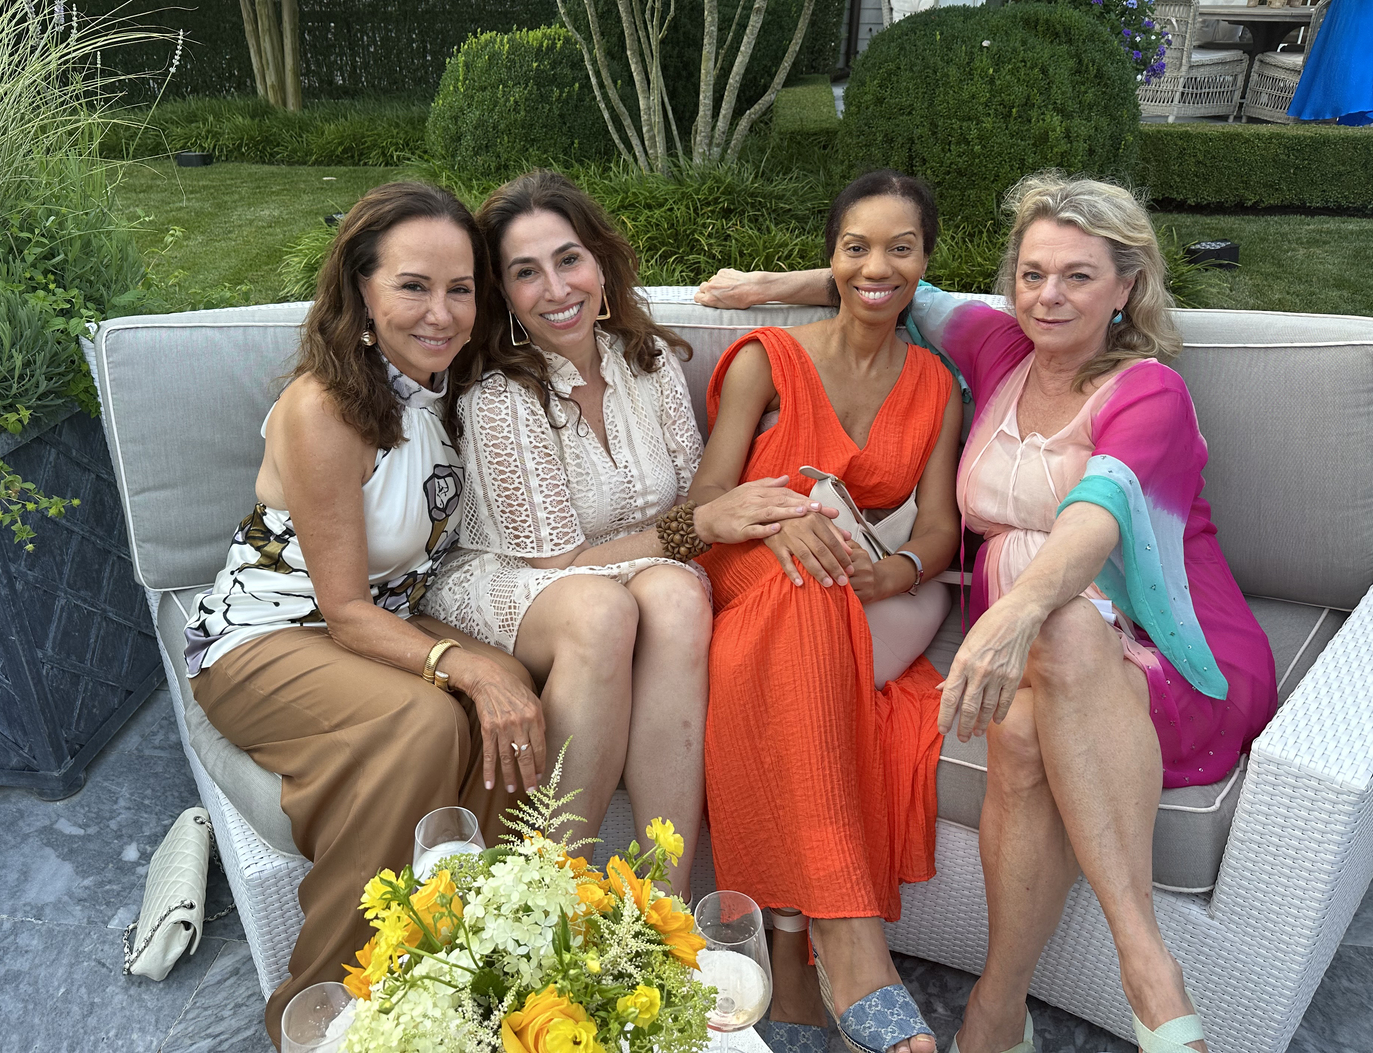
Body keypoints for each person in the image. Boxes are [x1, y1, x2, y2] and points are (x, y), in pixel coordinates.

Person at [697, 172, 1278, 1053]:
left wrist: (1009, 617)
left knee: (1064, 632)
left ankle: (1145, 967)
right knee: (1014, 728)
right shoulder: (1001, 350)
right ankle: (996, 1014)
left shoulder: (1148, 392)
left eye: (1079, 276)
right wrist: (766, 287)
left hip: (1164, 655)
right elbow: (887, 280)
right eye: (1033, 273)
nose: (1050, 296)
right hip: (1035, 663)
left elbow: (1096, 516)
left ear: (1127, 286)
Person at [184, 182, 548, 1046]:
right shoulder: (325, 409)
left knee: (519, 696)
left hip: (379, 620)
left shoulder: (444, 388)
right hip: (266, 636)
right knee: (428, 719)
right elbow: (342, 609)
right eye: (413, 286)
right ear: (361, 291)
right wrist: (462, 662)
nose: (442, 311)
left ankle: (454, 959)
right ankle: (323, 1009)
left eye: (461, 288)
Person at [422, 169, 835, 898]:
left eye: (568, 259)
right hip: (509, 578)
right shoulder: (500, 395)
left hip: (631, 570)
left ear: (601, 263)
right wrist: (699, 524)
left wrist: (744, 521)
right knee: (604, 606)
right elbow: (563, 558)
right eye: (526, 272)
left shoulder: (648, 364)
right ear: (504, 295)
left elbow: (685, 506)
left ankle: (659, 905)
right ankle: (550, 893)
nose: (556, 289)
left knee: (677, 594)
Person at [690, 170, 964, 1053]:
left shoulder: (936, 384)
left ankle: (791, 950)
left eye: (900, 247)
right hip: (747, 565)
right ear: (831, 257)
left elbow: (939, 525)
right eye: (856, 246)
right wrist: (775, 530)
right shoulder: (770, 359)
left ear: (926, 260)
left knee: (816, 600)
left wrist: (902, 572)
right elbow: (709, 500)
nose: (875, 266)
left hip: (854, 590)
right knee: (802, 585)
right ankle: (854, 940)